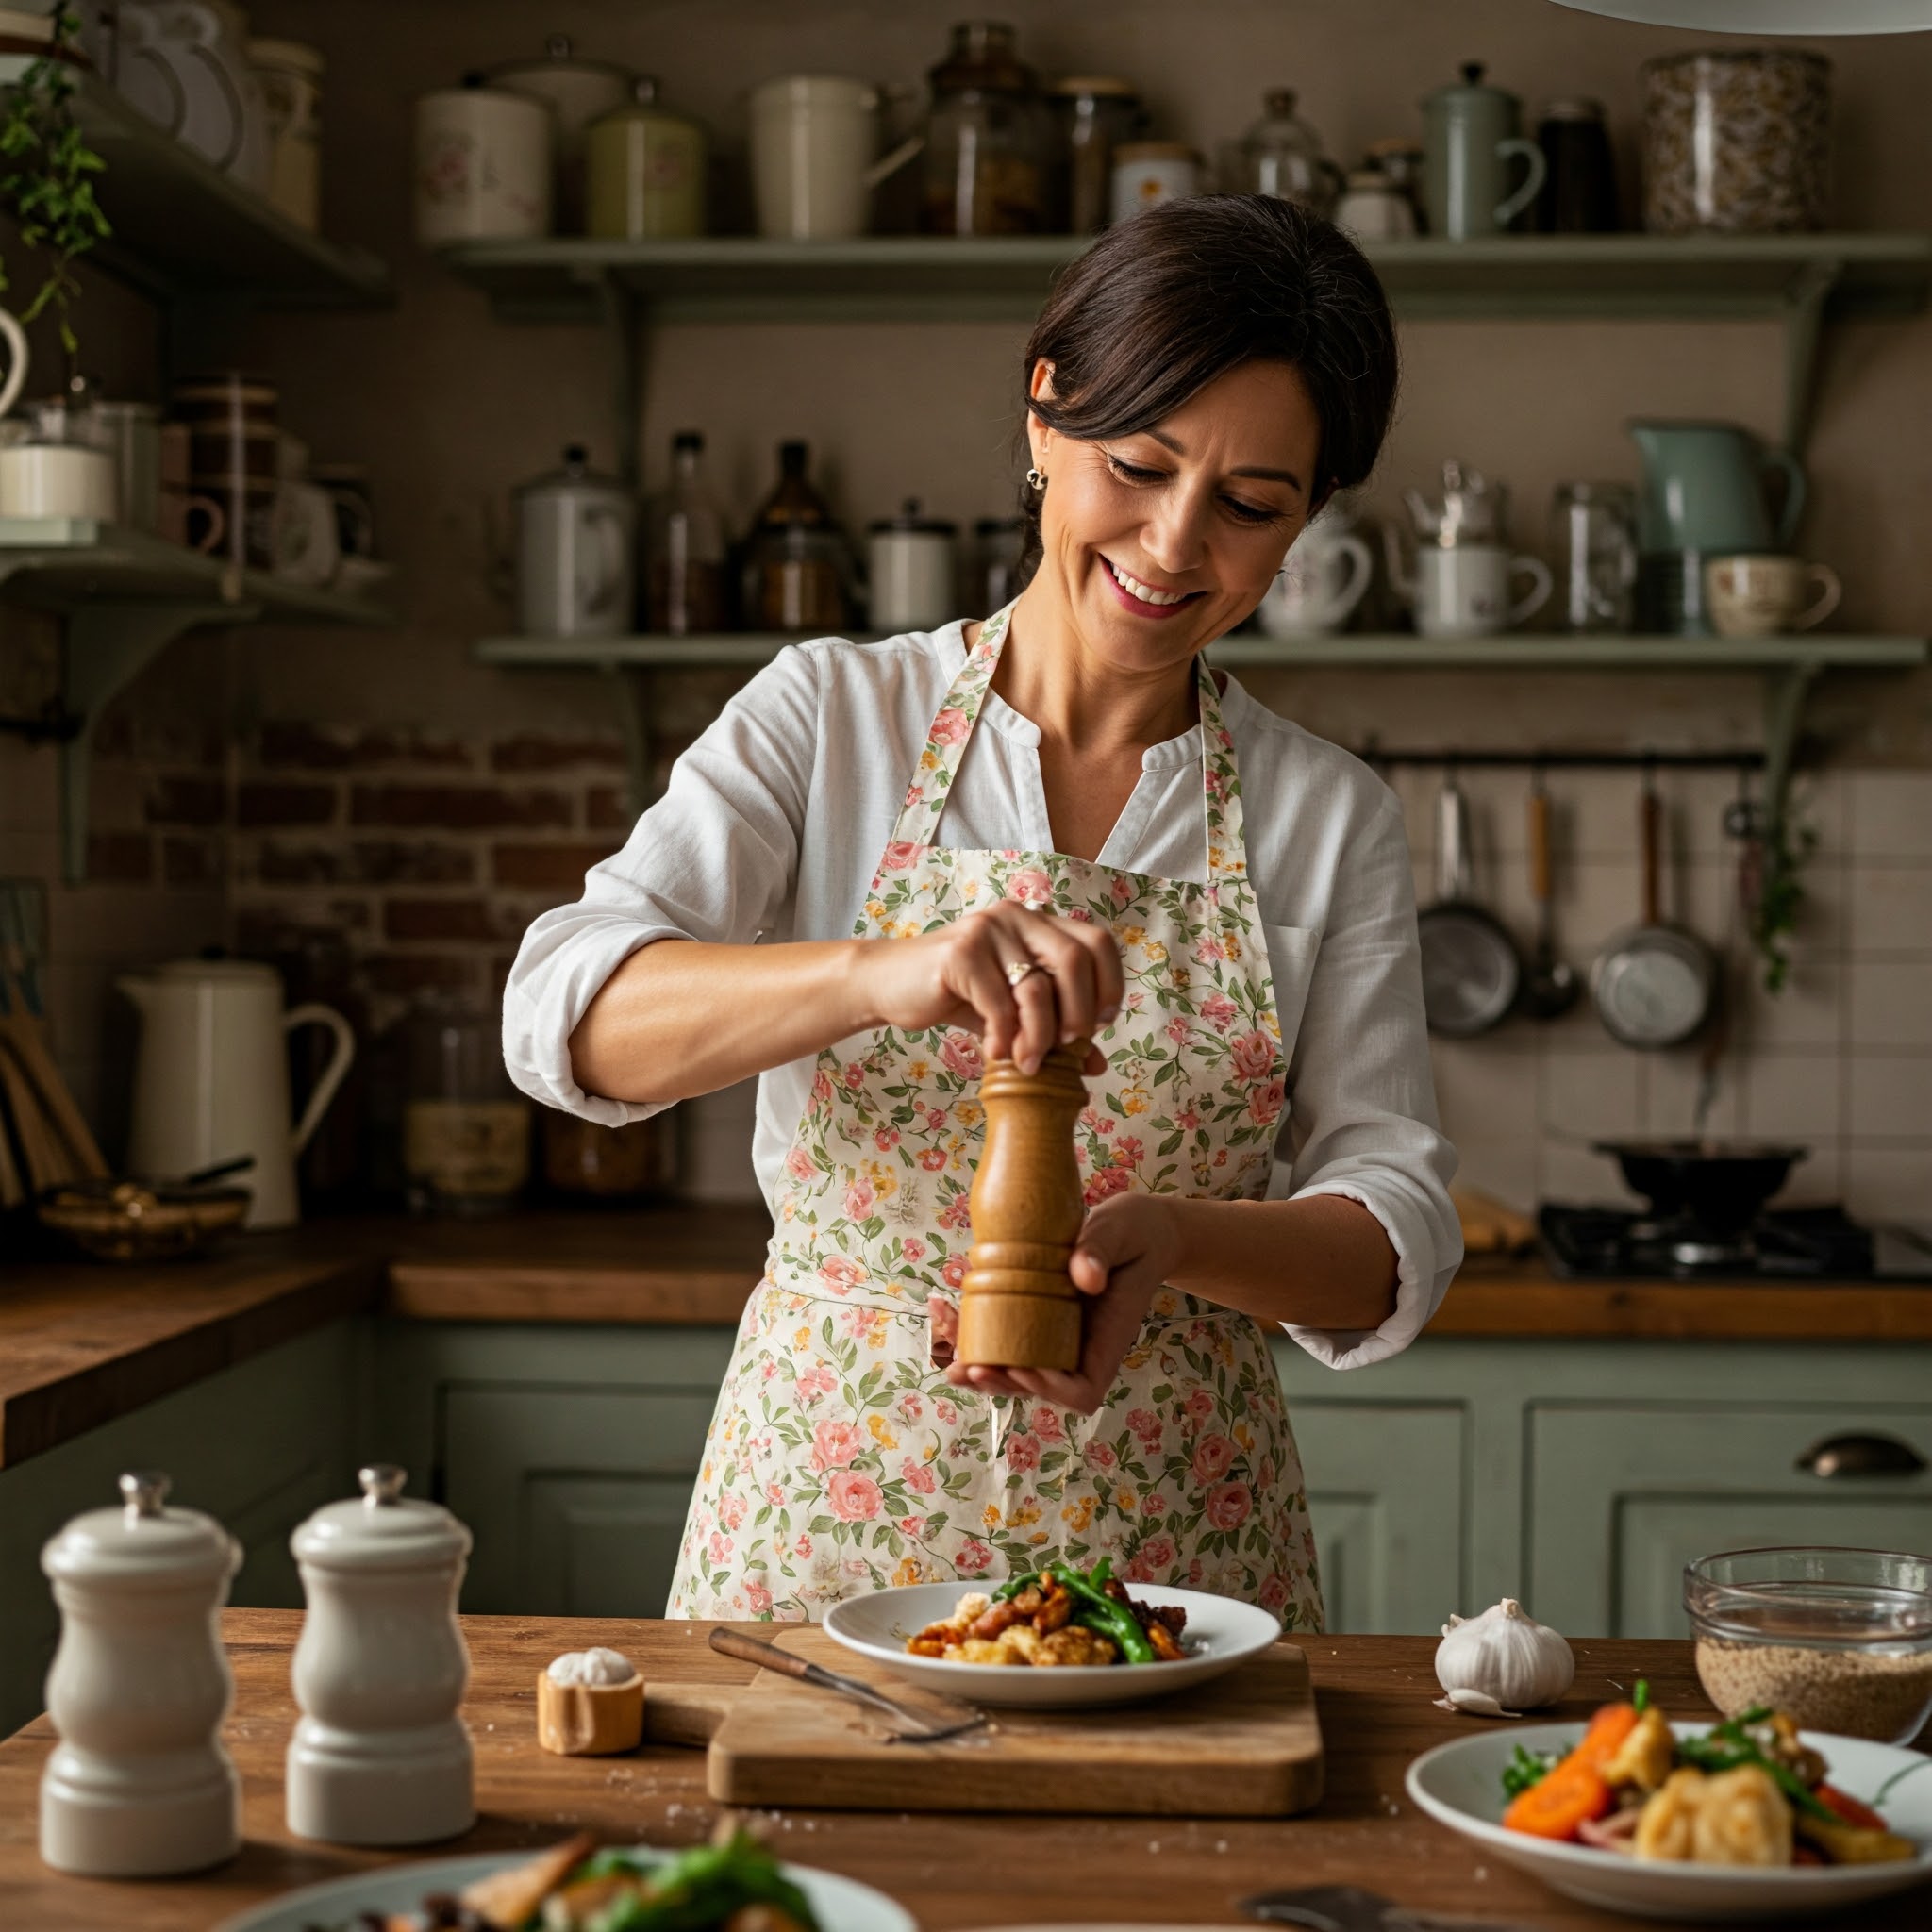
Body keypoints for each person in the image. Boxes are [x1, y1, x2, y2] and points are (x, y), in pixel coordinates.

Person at [504, 194, 1459, 1631]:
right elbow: (567, 1017)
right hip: (823, 1539)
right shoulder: (830, 716)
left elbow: (1392, 1224)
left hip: (1176, 1572)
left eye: (1253, 506)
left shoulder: (1326, 815)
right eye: (1137, 465)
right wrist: (883, 973)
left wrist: (1179, 1244)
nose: (1174, 543)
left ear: (1307, 522)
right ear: (1043, 415)